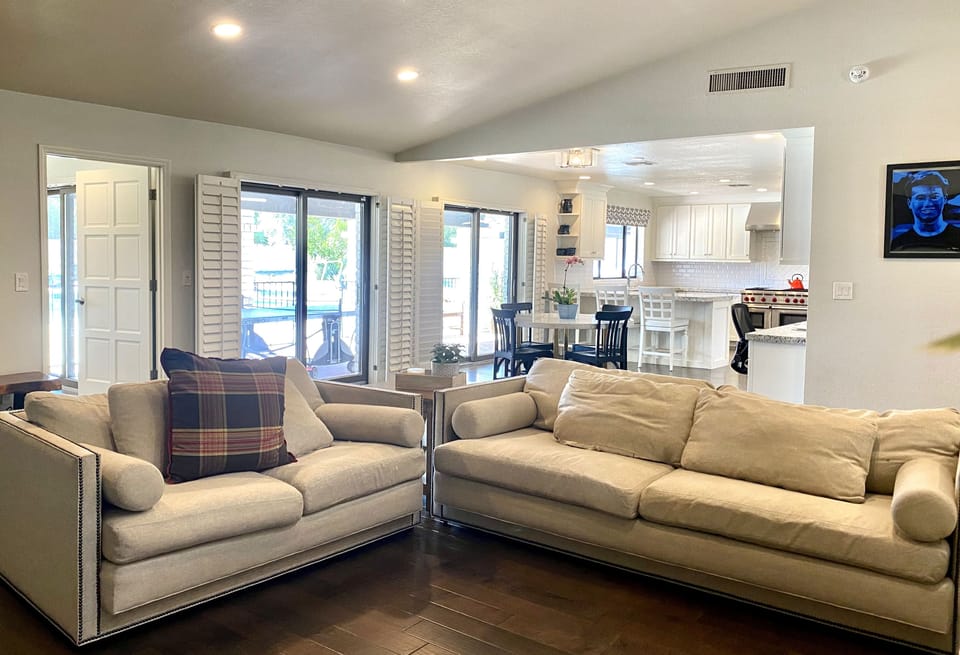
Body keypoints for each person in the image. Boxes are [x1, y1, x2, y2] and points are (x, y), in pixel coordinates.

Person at [890, 170, 960, 252]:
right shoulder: (898, 244)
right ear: (909, 203)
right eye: (920, 198)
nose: (928, 204)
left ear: (944, 199)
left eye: (934, 197)